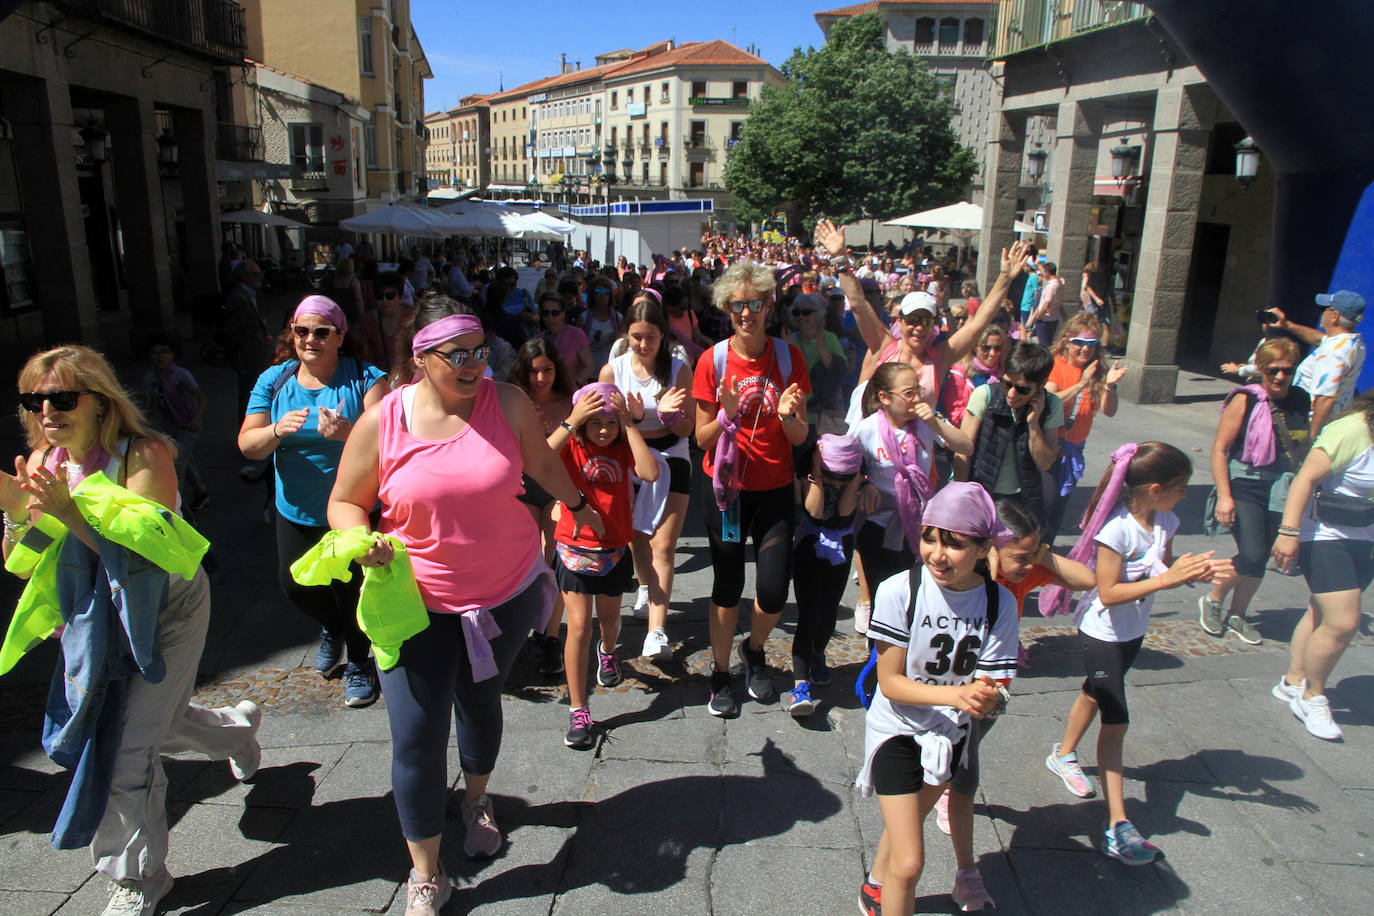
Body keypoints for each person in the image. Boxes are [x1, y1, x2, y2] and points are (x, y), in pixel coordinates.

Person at [328, 297, 601, 914]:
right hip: (413, 605)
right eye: (459, 355)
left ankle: (477, 796)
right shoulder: (385, 420)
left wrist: (581, 507)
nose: (476, 364)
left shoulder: (506, 402)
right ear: (422, 357)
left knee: (479, 705)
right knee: (417, 739)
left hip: (502, 596)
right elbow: (344, 501)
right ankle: (426, 871)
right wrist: (360, 539)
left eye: (482, 351)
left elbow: (538, 463)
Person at [2, 345, 260, 916]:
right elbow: (24, 559)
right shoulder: (45, 463)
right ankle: (237, 731)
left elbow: (149, 556)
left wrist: (69, 512)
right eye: (34, 399)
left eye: (63, 398)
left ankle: (139, 878)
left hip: (168, 610)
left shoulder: (144, 453)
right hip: (100, 622)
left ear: (100, 401)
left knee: (124, 750)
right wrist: (20, 518)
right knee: (157, 727)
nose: (47, 411)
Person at [1042, 442, 1228, 864]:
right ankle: (1118, 827)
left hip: (1133, 630)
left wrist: (1192, 572)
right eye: (1181, 489)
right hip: (1102, 633)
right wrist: (1168, 581)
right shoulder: (1117, 531)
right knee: (1116, 719)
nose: (1185, 496)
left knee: (1093, 691)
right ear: (1155, 488)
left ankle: (1061, 753)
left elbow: (1162, 567)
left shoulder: (1167, 519)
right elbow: (1107, 592)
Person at [855, 483, 1020, 916]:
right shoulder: (898, 590)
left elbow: (995, 685)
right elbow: (890, 683)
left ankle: (873, 885)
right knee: (909, 864)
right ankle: (885, 885)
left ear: (985, 548)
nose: (937, 554)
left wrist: (989, 699)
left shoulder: (998, 601)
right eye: (930, 538)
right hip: (896, 729)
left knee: (906, 824)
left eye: (955, 544)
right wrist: (959, 694)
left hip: (950, 735)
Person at [932, 499, 1095, 892]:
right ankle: (964, 865)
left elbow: (1087, 579)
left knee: (968, 749)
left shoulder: (1020, 575)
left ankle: (948, 787)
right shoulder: (957, 575)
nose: (1026, 565)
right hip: (950, 693)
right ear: (988, 549)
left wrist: (1038, 552)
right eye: (1019, 556)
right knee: (964, 766)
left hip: (992, 693)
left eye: (1030, 557)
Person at [237, 296, 387, 707]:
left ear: (340, 336)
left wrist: (348, 434)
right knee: (295, 586)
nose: (310, 340)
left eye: (322, 332)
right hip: (296, 508)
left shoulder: (366, 378)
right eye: (302, 331)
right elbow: (248, 445)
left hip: (354, 504)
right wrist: (276, 432)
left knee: (351, 586)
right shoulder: (275, 381)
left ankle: (359, 663)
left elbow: (387, 442)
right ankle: (331, 627)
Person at [692, 260, 811, 717]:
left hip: (775, 486)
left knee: (775, 590)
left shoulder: (788, 358)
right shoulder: (713, 361)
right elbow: (701, 438)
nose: (746, 313)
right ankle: (721, 673)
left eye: (754, 304)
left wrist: (785, 416)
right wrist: (725, 414)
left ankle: (754, 650)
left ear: (768, 305)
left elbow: (801, 437)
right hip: (725, 489)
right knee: (727, 585)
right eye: (738, 305)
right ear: (726, 309)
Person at [548, 383, 658, 749]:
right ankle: (579, 709)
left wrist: (628, 424)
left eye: (608, 422)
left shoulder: (622, 444)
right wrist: (571, 421)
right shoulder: (573, 446)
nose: (602, 430)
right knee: (578, 626)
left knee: (609, 621)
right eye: (594, 423)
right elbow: (539, 459)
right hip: (574, 548)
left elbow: (650, 472)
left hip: (613, 550)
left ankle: (608, 653)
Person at [1271, 389, 1374, 741]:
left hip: (1367, 538)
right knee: (1343, 622)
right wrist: (1288, 532)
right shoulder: (1353, 429)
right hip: (1326, 533)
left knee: (1320, 611)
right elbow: (1305, 479)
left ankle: (1292, 681)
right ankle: (1313, 696)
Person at [599, 297, 694, 661]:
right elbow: (602, 427)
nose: (643, 344)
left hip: (672, 456)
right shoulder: (614, 371)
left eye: (651, 337)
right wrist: (633, 421)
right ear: (626, 335)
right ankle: (644, 585)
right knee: (637, 536)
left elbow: (690, 428)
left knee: (664, 546)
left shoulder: (678, 369)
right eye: (636, 336)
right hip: (631, 457)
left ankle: (657, 631)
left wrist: (670, 417)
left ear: (662, 336)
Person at [1200, 338, 1310, 644]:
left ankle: (1237, 615)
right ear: (1260, 369)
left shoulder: (1302, 398)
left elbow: (1302, 444)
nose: (1279, 377)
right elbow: (1219, 450)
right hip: (1245, 482)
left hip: (1281, 485)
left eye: (1286, 370)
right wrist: (1224, 496)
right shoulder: (1244, 400)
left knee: (1261, 558)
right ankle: (1213, 598)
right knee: (1252, 553)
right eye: (1272, 370)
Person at [852, 362, 973, 591]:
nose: (917, 399)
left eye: (918, 391)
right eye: (909, 393)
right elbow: (847, 467)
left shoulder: (926, 423)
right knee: (883, 592)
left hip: (919, 520)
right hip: (879, 523)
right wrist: (865, 483)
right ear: (885, 397)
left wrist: (935, 423)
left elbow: (966, 446)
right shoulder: (867, 429)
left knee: (914, 591)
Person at [509, 338, 577, 674]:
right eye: (534, 370)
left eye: (547, 370)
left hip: (557, 486)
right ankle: (524, 624)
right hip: (521, 487)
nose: (540, 378)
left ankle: (551, 635)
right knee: (526, 560)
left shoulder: (567, 401)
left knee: (555, 555)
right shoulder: (514, 401)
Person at [788, 434, 863, 718]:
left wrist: (854, 480)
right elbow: (815, 511)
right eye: (833, 477)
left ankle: (819, 652)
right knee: (808, 614)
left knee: (829, 609)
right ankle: (800, 685)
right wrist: (818, 475)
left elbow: (844, 511)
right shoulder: (810, 467)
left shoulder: (851, 477)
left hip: (841, 544)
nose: (836, 483)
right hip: (809, 542)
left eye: (840, 478)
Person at [960, 341, 1064, 526]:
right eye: (1007, 384)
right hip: (982, 494)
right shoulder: (985, 395)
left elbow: (1044, 463)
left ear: (1041, 385)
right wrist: (959, 496)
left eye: (1022, 389)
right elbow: (963, 451)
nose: (1012, 394)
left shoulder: (1051, 405)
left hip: (1024, 499)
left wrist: (1033, 423)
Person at [1044, 316, 1127, 537]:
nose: (1085, 349)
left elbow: (1109, 411)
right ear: (1067, 341)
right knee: (1044, 507)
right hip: (1051, 448)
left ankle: (1045, 555)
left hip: (1074, 450)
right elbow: (1050, 401)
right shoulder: (1055, 364)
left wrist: (1109, 386)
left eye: (1091, 344)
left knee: (1059, 508)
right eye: (1080, 342)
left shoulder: (1097, 371)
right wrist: (1081, 384)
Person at [1271, 290, 1366, 438]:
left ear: (1335, 316)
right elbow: (1319, 339)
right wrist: (1287, 325)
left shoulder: (1333, 354)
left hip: (1308, 425)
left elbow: (1326, 399)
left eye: (1325, 309)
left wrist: (1311, 439)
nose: (1322, 313)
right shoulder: (1353, 343)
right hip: (1334, 421)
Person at [141, 333, 210, 512]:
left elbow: (201, 399)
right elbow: (149, 406)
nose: (159, 356)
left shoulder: (181, 375)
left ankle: (179, 510)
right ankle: (200, 492)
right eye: (155, 353)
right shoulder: (150, 378)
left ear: (172, 354)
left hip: (188, 425)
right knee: (186, 460)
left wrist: (196, 420)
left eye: (164, 351)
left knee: (176, 465)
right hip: (168, 426)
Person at [224, 259, 271, 418]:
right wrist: (234, 357)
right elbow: (234, 331)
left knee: (255, 394)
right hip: (247, 358)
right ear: (244, 277)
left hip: (255, 355)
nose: (260, 277)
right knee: (248, 398)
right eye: (256, 274)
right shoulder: (239, 298)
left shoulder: (250, 295)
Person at [355, 271, 415, 375]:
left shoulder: (411, 318)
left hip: (408, 376)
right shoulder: (367, 322)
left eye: (390, 295)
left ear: (399, 296)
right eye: (379, 295)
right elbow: (365, 357)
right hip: (379, 378)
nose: (384, 300)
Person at [540, 290, 594, 384]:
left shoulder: (576, 334)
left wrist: (576, 384)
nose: (550, 317)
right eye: (546, 313)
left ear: (563, 314)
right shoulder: (540, 338)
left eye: (555, 313)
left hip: (572, 393)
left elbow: (590, 366)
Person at [581, 277, 622, 371]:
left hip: (611, 371)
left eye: (606, 292)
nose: (602, 295)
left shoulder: (618, 318)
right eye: (598, 292)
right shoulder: (583, 318)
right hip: (589, 374)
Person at [1027, 261, 1064, 348]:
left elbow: (1046, 305)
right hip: (1054, 318)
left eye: (1043, 272)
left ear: (1047, 272)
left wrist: (1038, 317)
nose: (1042, 274)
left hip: (1045, 319)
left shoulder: (1051, 287)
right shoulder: (1060, 283)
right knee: (1049, 342)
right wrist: (1038, 264)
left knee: (1044, 345)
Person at [328, 255, 365, 327]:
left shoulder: (335, 280)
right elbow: (358, 299)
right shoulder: (353, 281)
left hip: (338, 311)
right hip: (351, 312)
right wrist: (362, 314)